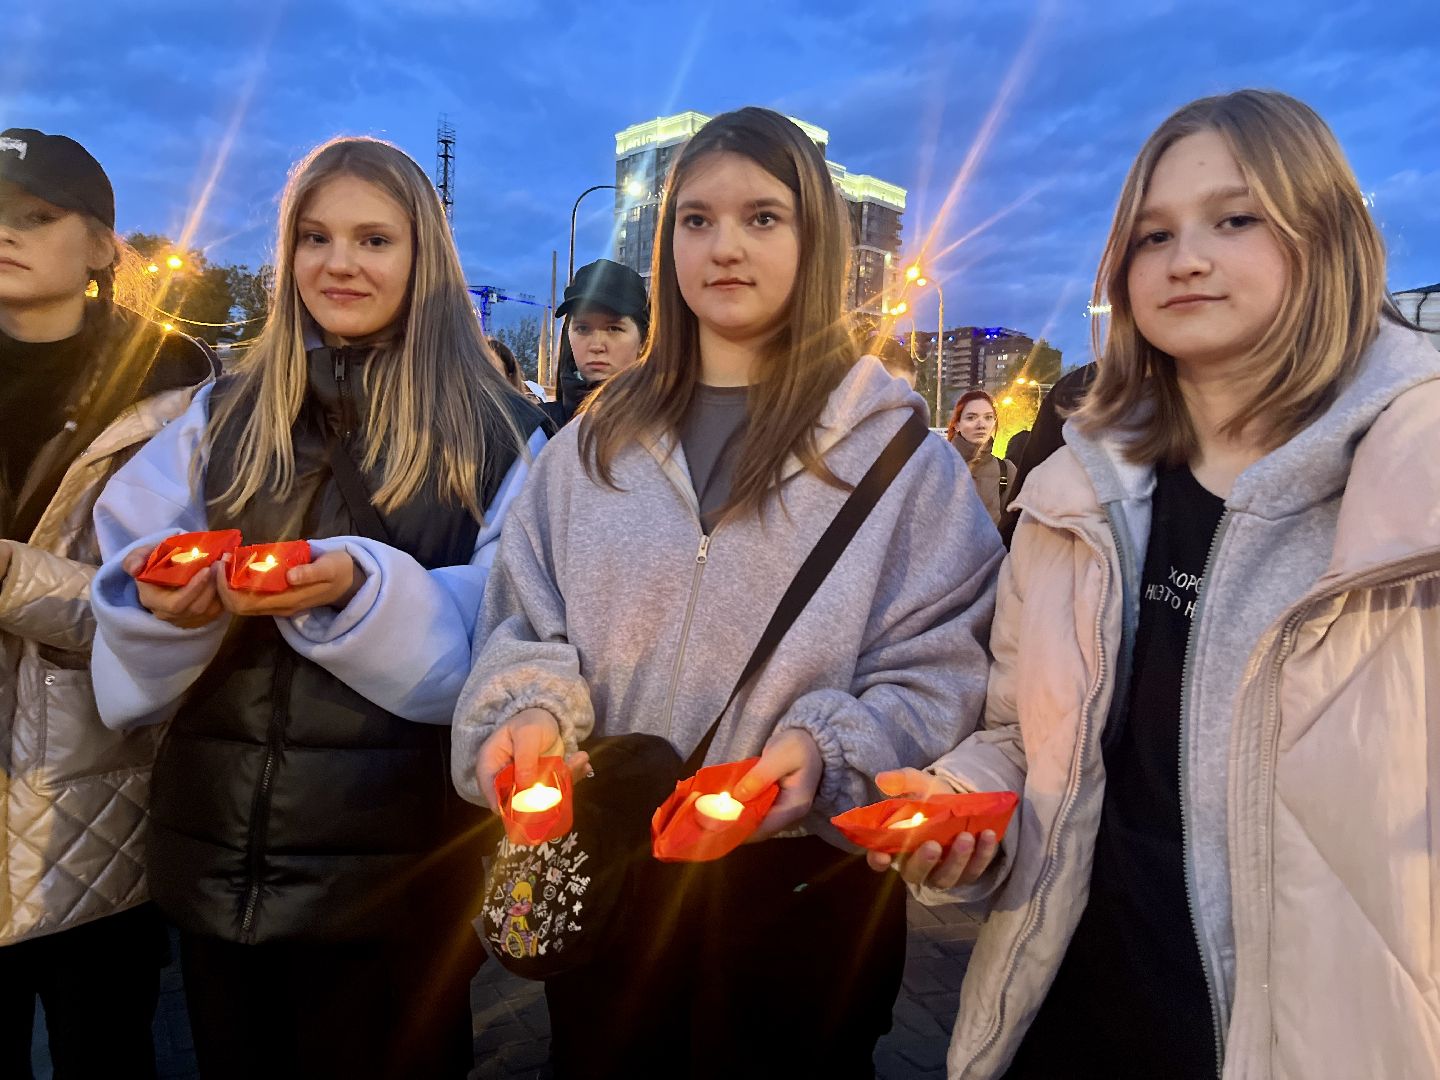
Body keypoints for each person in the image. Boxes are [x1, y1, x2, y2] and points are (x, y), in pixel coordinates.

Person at [873, 89, 1440, 1079]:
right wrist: (958, 802)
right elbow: (1026, 737)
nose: (1187, 258)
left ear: (1331, 234)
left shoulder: (1412, 492)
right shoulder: (1071, 501)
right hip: (1069, 1017)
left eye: (1235, 218)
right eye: (1152, 234)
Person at [452, 106, 1003, 1080]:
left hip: (804, 910)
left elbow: (944, 672)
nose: (725, 247)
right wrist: (530, 711)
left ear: (817, 240)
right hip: (616, 885)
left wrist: (823, 755)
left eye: (763, 217)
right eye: (696, 220)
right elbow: (523, 620)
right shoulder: (591, 448)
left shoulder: (903, 460)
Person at [87, 136, 548, 1079]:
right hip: (216, 861)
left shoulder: (500, 430)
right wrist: (159, 601)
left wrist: (361, 588)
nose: (339, 263)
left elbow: (515, 627)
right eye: (315, 237)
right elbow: (126, 562)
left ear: (424, 258)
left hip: (402, 880)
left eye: (374, 239)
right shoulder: (223, 412)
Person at [0, 128, 217, 1079]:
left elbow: (176, 604)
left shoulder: (175, 393)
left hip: (90, 795)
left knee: (105, 1047)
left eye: (35, 217)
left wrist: (10, 580)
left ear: (100, 246)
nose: (6, 234)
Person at [543, 257, 648, 426]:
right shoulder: (535, 431)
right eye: (583, 329)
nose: (597, 346)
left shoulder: (678, 428)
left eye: (614, 328)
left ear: (643, 339)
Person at [946, 389, 1015, 526]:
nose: (981, 425)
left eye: (988, 417)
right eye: (971, 417)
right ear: (957, 424)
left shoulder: (1006, 471)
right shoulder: (936, 466)